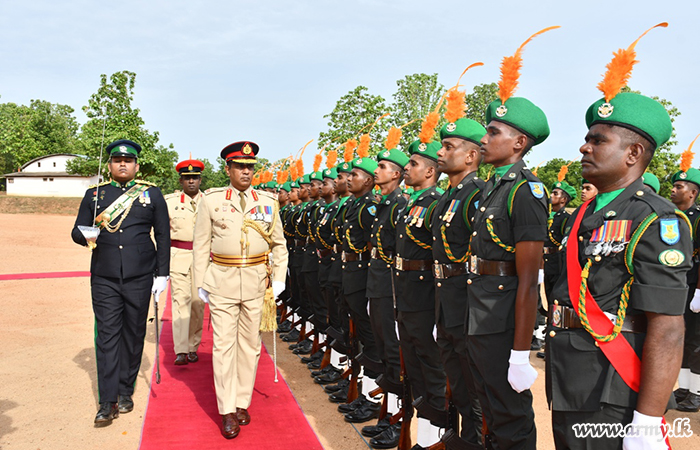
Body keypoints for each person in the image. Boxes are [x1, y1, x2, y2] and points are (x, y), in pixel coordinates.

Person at [546, 26, 692, 449]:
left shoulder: (655, 218)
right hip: (571, 370)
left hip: (613, 384)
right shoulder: (586, 214)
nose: (583, 148)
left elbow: (667, 329)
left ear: (632, 154)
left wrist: (647, 421)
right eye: (587, 138)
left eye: (597, 140)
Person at [468, 29, 555, 449]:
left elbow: (528, 278)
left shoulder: (526, 191)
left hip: (503, 315)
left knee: (509, 411)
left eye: (493, 132)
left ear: (519, 142)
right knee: (488, 402)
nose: (484, 140)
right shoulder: (491, 188)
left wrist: (521, 352)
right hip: (480, 307)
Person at [193, 141, 288, 439]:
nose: (246, 171)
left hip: (257, 282)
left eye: (250, 166)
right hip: (222, 280)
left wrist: (281, 278)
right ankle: (226, 409)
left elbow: (280, 245)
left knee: (250, 345)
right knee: (223, 346)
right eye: (240, 166)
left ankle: (241, 400)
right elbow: (200, 245)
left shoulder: (269, 201)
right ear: (228, 169)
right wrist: (200, 282)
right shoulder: (211, 200)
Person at [71, 139, 170, 425]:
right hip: (105, 277)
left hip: (141, 276)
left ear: (136, 165)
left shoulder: (151, 194)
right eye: (117, 160)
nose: (122, 164)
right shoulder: (95, 195)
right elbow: (77, 232)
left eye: (128, 161)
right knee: (107, 338)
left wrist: (161, 274)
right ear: (110, 165)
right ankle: (108, 401)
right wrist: (87, 234)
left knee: (133, 335)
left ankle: (126, 390)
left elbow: (162, 235)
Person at [432, 112, 487, 449]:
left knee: (476, 388)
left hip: (467, 304)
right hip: (446, 300)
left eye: (448, 147)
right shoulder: (447, 196)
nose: (440, 153)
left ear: (470, 156)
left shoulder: (475, 195)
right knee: (459, 386)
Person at [363, 146, 409, 448]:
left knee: (395, 356)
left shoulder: (400, 205)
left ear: (396, 173)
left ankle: (397, 419)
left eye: (382, 166)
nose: (376, 171)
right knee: (382, 350)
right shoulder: (384, 204)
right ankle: (386, 414)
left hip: (391, 288)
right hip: (378, 284)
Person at [165, 158, 205, 366]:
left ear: (200, 180)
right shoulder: (170, 202)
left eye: (195, 178)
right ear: (180, 181)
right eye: (187, 178)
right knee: (180, 302)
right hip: (178, 257)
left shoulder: (209, 202)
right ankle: (180, 349)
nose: (191, 182)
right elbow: (162, 233)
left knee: (197, 305)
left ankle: (192, 346)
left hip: (202, 259)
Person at [669, 149, 700, 412]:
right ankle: (683, 387)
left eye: (679, 186)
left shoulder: (699, 218)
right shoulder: (670, 216)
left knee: (696, 340)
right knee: (681, 336)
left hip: (695, 284)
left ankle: (696, 392)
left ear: (692, 193)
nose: (674, 190)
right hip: (678, 284)